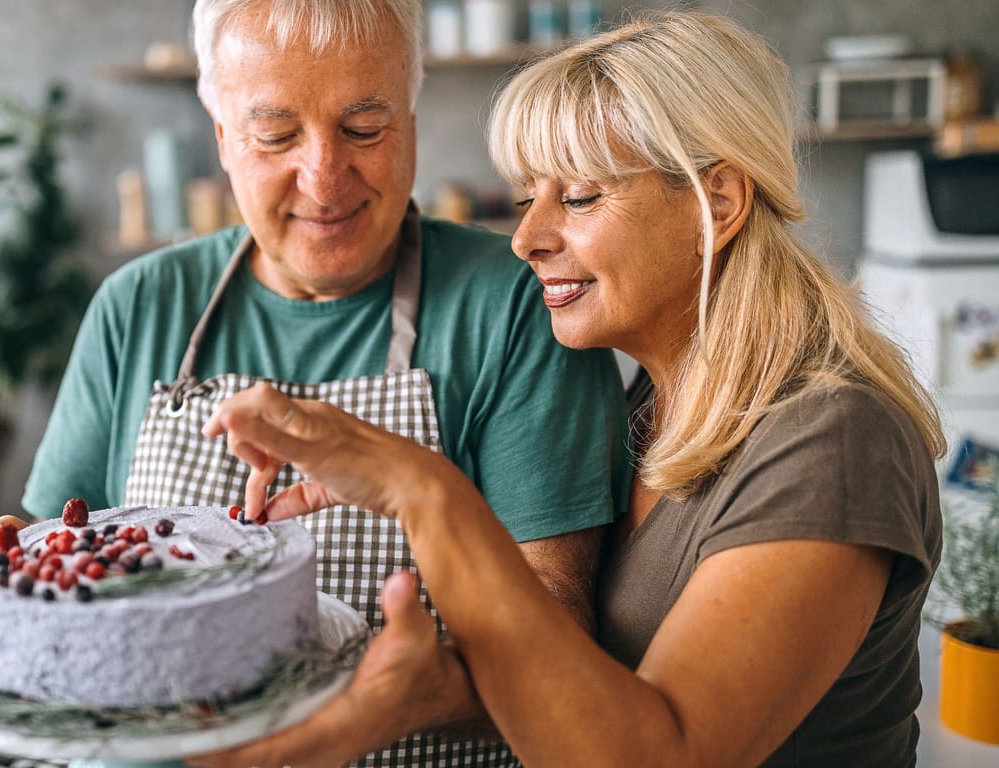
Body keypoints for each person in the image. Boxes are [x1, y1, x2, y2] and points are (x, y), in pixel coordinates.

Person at [193, 10, 946, 768]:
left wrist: (422, 490)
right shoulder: (656, 409)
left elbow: (658, 755)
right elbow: (579, 702)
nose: (527, 239)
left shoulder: (834, 439)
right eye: (530, 198)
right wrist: (425, 697)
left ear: (717, 202)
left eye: (581, 198)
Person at [0, 0, 630, 764]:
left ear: (410, 115)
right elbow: (66, 577)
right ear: (221, 137)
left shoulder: (515, 305)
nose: (324, 178)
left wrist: (416, 695)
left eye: (363, 129)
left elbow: (561, 644)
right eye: (275, 135)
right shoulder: (138, 307)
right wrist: (23, 564)